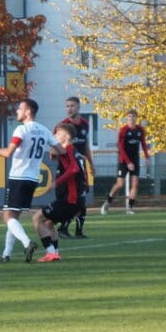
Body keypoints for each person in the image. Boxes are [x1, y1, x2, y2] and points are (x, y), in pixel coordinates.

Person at [0, 99, 64, 263]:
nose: (17, 111)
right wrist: (49, 151)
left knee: (7, 217)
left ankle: (27, 243)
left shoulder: (21, 129)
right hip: (33, 179)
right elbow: (61, 150)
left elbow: (8, 152)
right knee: (14, 216)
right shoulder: (44, 130)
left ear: (28, 112)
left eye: (19, 108)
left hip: (19, 177)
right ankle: (7, 254)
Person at [33, 124, 87, 262]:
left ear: (67, 137)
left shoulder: (68, 150)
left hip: (70, 199)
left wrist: (57, 182)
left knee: (37, 219)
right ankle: (55, 253)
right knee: (49, 223)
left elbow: (74, 169)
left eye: (58, 134)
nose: (55, 136)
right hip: (76, 200)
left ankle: (50, 252)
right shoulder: (71, 151)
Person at [55, 96, 93, 238]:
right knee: (72, 202)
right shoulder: (61, 126)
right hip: (67, 170)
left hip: (80, 170)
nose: (69, 109)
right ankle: (62, 228)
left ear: (78, 107)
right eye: (67, 106)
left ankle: (78, 230)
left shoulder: (85, 124)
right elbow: (54, 147)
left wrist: (91, 164)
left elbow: (86, 146)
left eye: (72, 106)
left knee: (81, 201)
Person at [103, 109, 150, 215]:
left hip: (135, 160)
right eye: (129, 117)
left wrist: (147, 157)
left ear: (136, 118)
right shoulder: (123, 130)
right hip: (124, 161)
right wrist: (128, 162)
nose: (131, 119)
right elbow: (121, 148)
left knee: (135, 184)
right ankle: (108, 202)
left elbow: (143, 143)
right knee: (120, 184)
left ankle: (129, 207)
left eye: (133, 117)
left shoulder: (140, 130)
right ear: (127, 118)